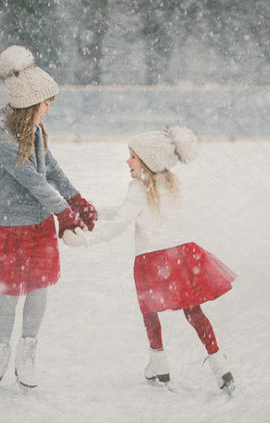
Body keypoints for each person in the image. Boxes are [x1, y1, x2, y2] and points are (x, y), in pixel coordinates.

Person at [0, 45, 97, 390]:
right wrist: (66, 215)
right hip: (7, 225)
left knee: (38, 287)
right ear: (28, 107)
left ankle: (27, 352)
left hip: (37, 223)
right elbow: (36, 183)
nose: (48, 110)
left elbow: (50, 168)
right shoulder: (5, 141)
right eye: (45, 104)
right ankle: (0, 353)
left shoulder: (33, 133)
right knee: (9, 291)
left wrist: (76, 199)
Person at [62, 126, 236, 393]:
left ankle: (160, 363)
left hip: (151, 261)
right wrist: (93, 213)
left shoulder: (138, 188)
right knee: (193, 311)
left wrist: (85, 239)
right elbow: (125, 213)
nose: (127, 161)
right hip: (180, 256)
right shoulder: (169, 185)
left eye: (133, 156)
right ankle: (219, 364)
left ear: (149, 161)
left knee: (150, 312)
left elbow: (121, 223)